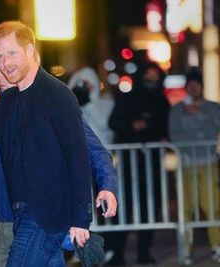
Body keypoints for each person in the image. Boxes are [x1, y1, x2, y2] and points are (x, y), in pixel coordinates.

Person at [0, 21, 115, 266]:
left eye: (12, 53)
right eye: (0, 56)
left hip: (45, 216)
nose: (6, 63)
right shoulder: (9, 101)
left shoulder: (56, 95)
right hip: (20, 214)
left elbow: (78, 155)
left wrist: (81, 220)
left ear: (29, 51)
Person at [0, 71, 118, 267]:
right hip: (12, 221)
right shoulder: (3, 119)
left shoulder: (56, 109)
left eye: (6, 71)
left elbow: (96, 151)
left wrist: (107, 186)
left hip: (45, 220)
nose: (0, 77)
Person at [108, 61, 170, 265]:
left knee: (149, 207)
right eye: (148, 76)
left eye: (155, 77)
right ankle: (118, 253)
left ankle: (144, 251)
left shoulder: (161, 101)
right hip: (129, 164)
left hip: (152, 164)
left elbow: (166, 127)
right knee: (123, 208)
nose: (152, 81)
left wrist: (164, 138)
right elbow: (115, 122)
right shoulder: (128, 99)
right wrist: (132, 126)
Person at [169, 68, 220, 265]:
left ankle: (216, 246)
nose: (193, 87)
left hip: (208, 164)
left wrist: (198, 116)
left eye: (196, 84)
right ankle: (186, 249)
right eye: (190, 84)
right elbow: (175, 135)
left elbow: (214, 129)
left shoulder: (213, 107)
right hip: (186, 165)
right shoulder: (177, 109)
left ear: (201, 86)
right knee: (186, 209)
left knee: (213, 207)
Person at [68, 66, 114, 144]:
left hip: (101, 149)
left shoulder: (106, 103)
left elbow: (105, 124)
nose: (83, 87)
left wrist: (88, 103)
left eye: (86, 83)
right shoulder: (69, 107)